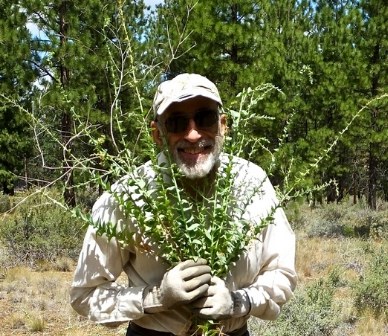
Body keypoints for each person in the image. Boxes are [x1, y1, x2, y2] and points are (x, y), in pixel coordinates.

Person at [70, 73, 297, 336]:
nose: (192, 134)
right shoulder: (127, 195)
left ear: (223, 125)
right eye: (177, 123)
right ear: (157, 134)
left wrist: (239, 302)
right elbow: (85, 295)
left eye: (205, 119)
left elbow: (282, 272)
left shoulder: (252, 182)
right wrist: (155, 297)